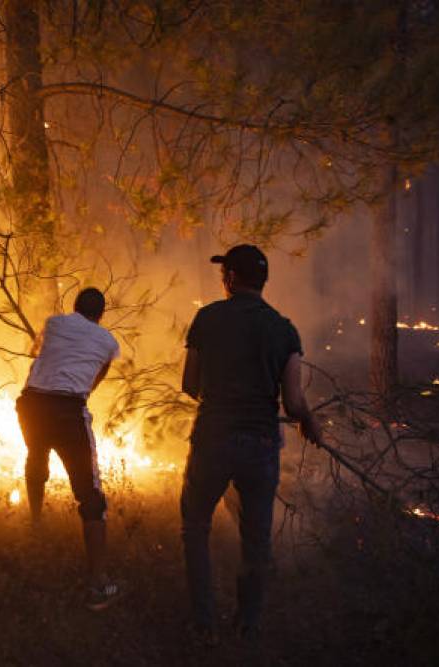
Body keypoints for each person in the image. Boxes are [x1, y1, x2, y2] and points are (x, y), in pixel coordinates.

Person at [180, 244, 324, 644]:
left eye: (223, 272)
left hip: (213, 438)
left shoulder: (207, 318)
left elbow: (190, 384)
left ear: (230, 278)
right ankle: (248, 622)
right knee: (256, 537)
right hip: (261, 443)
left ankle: (204, 622)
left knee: (195, 527)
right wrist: (308, 420)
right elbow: (294, 403)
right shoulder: (284, 328)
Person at [16, 287, 122, 611]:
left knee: (36, 455)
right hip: (67, 410)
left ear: (74, 307)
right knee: (91, 497)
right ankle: (98, 585)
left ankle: (35, 524)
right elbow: (95, 378)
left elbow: (37, 354)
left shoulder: (54, 322)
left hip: (30, 403)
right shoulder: (108, 342)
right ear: (100, 315)